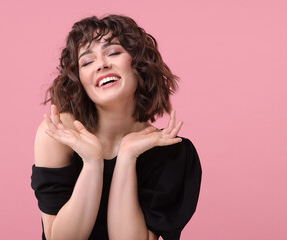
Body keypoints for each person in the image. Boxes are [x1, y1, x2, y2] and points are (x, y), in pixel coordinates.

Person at [31, 14, 202, 240]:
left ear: (138, 64)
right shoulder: (59, 134)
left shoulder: (174, 154)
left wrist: (127, 157)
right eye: (87, 61)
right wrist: (92, 162)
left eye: (113, 52)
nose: (102, 64)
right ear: (79, 80)